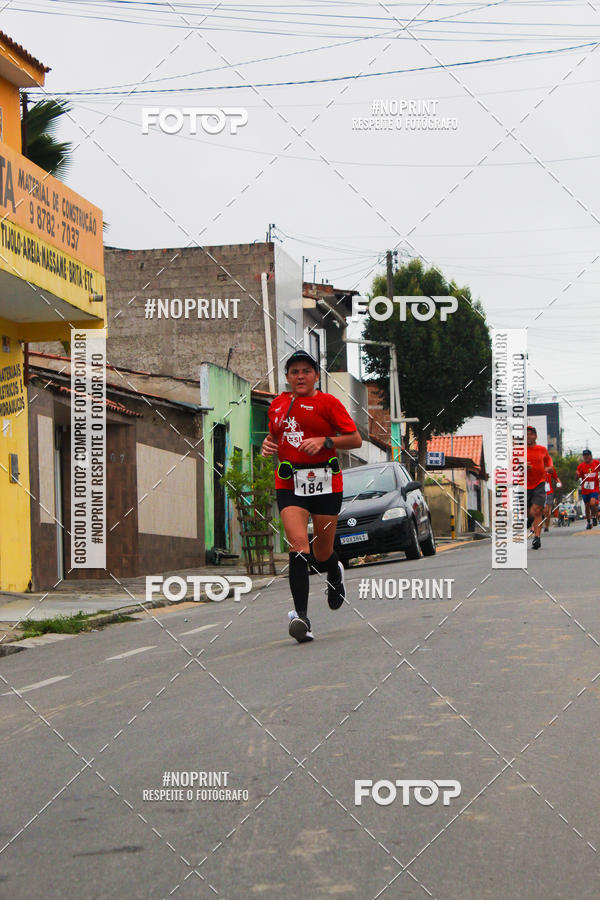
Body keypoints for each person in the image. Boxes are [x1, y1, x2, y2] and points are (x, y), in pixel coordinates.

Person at [262, 350, 362, 643]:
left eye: (307, 371)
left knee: (320, 553)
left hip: (326, 482)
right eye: (294, 372)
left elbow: (355, 439)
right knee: (298, 547)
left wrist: (325, 441)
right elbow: (275, 436)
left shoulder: (328, 403)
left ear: (317, 376)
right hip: (289, 482)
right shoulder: (279, 404)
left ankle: (334, 570)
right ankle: (302, 619)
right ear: (288, 377)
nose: (300, 376)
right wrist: (268, 445)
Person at [526, 426, 554, 550]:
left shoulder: (542, 450)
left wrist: (548, 468)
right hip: (524, 485)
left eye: (531, 434)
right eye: (526, 434)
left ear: (535, 436)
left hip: (539, 483)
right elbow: (512, 465)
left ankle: (537, 538)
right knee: (530, 512)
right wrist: (521, 466)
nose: (529, 436)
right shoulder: (519, 450)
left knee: (537, 510)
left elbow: (549, 463)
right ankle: (529, 519)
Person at [576, 449, 600, 530]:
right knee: (586, 507)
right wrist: (577, 475)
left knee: (592, 503)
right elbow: (576, 478)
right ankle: (589, 522)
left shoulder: (596, 463)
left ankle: (594, 517)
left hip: (594, 489)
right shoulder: (581, 466)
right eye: (584, 456)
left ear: (591, 456)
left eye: (587, 455)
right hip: (585, 490)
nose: (586, 457)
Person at [542, 464, 559, 532]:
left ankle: (546, 526)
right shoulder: (536, 466)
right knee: (538, 510)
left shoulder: (550, 468)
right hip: (539, 492)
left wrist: (559, 482)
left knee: (547, 511)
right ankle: (535, 527)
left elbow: (556, 477)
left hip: (549, 492)